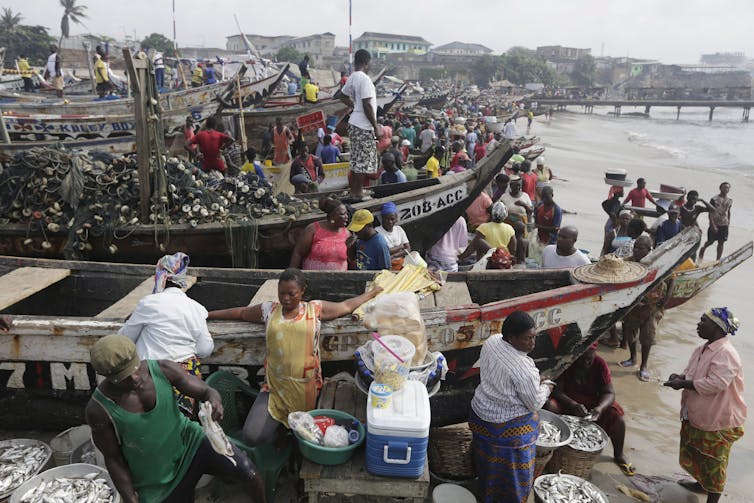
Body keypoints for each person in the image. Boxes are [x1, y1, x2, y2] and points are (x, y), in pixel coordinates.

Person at [207, 269, 381, 446]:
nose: (286, 299)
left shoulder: (314, 310)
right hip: (275, 387)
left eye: (292, 294)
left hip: (306, 388)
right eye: (282, 293)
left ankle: (290, 443)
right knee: (252, 436)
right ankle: (280, 434)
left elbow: (346, 306)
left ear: (302, 291)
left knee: (308, 437)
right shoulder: (269, 310)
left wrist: (372, 293)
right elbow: (241, 313)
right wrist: (209, 315)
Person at [85, 335, 265, 503]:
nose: (135, 377)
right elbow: (113, 458)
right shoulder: (99, 410)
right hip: (155, 478)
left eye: (136, 368)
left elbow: (205, 391)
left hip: (190, 443)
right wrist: (129, 496)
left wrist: (214, 399)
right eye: (125, 377)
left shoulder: (163, 369)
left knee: (249, 472)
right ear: (109, 377)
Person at [469, 311, 554, 503]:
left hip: (479, 414)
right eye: (527, 339)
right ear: (511, 337)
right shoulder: (523, 368)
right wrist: (547, 387)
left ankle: (486, 494)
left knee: (488, 469)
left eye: (534, 337)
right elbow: (534, 402)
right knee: (517, 477)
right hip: (503, 428)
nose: (533, 344)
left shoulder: (492, 341)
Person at [663, 308, 746, 503]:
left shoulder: (726, 353)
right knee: (697, 452)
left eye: (703, 321)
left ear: (717, 327)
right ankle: (701, 484)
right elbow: (693, 372)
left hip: (718, 418)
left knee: (714, 462)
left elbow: (716, 384)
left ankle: (712, 500)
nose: (698, 324)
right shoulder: (701, 349)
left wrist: (683, 384)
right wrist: (680, 377)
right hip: (699, 412)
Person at [117, 252, 212, 416]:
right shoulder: (197, 308)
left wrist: (135, 319)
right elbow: (205, 350)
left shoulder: (149, 303)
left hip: (152, 379)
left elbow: (124, 340)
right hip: (186, 383)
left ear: (160, 277)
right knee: (179, 425)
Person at [546, 343, 634, 476]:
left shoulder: (600, 364)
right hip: (567, 402)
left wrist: (599, 408)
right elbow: (556, 391)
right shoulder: (567, 362)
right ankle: (550, 448)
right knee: (549, 406)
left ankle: (619, 454)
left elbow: (609, 393)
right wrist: (572, 404)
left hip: (592, 404)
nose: (586, 362)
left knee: (617, 418)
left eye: (589, 358)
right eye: (582, 359)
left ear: (595, 353)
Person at [619, 235, 673, 381]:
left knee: (647, 337)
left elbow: (671, 279)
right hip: (633, 306)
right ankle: (632, 358)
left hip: (652, 306)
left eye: (641, 248)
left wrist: (666, 299)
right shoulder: (628, 262)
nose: (636, 250)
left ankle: (643, 366)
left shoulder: (659, 263)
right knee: (630, 332)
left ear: (650, 250)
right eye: (635, 247)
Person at [339, 50, 379, 201]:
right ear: (367, 62)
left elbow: (342, 95)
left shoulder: (352, 77)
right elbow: (368, 105)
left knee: (356, 159)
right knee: (363, 161)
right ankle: (358, 192)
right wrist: (376, 127)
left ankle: (355, 191)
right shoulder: (365, 79)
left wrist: (355, 105)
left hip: (354, 123)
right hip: (363, 125)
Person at [290, 198, 351, 270]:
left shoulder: (347, 234)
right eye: (342, 214)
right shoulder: (313, 229)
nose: (346, 217)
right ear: (332, 217)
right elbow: (298, 253)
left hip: (340, 279)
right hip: (313, 278)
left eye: (346, 213)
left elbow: (351, 258)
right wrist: (291, 274)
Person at [699, 182, 732, 262]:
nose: (726, 189)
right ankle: (701, 255)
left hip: (724, 224)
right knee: (710, 242)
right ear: (720, 188)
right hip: (715, 223)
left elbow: (729, 211)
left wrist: (728, 222)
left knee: (721, 242)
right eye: (724, 187)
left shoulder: (730, 200)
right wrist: (712, 224)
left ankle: (717, 260)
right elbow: (710, 212)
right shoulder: (714, 199)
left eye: (727, 188)